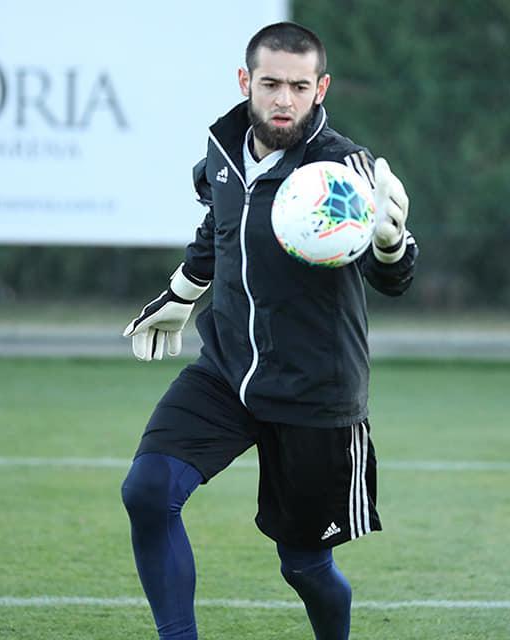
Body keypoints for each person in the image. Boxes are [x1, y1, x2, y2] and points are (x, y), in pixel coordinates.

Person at [120, 21, 417, 640]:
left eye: (299, 87)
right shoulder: (223, 148)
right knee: (148, 491)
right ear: (245, 81)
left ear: (320, 89)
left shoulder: (343, 169)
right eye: (271, 84)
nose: (284, 99)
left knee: (304, 565)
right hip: (227, 369)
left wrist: (390, 244)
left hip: (315, 390)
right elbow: (219, 229)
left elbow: (389, 276)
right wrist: (180, 293)